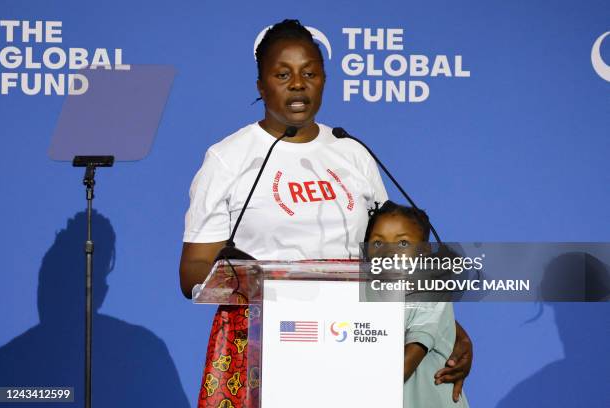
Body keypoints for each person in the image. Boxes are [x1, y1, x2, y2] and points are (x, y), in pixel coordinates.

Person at [179, 19, 472, 407]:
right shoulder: (228, 159)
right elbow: (193, 270)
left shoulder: (351, 152)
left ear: (324, 80)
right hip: (267, 338)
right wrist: (251, 280)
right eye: (282, 74)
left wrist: (446, 327)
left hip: (351, 333)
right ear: (260, 85)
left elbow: (392, 257)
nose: (298, 84)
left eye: (310, 73)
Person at [365, 200, 469, 407]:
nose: (388, 252)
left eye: (403, 243)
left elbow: (406, 364)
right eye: (378, 243)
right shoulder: (362, 291)